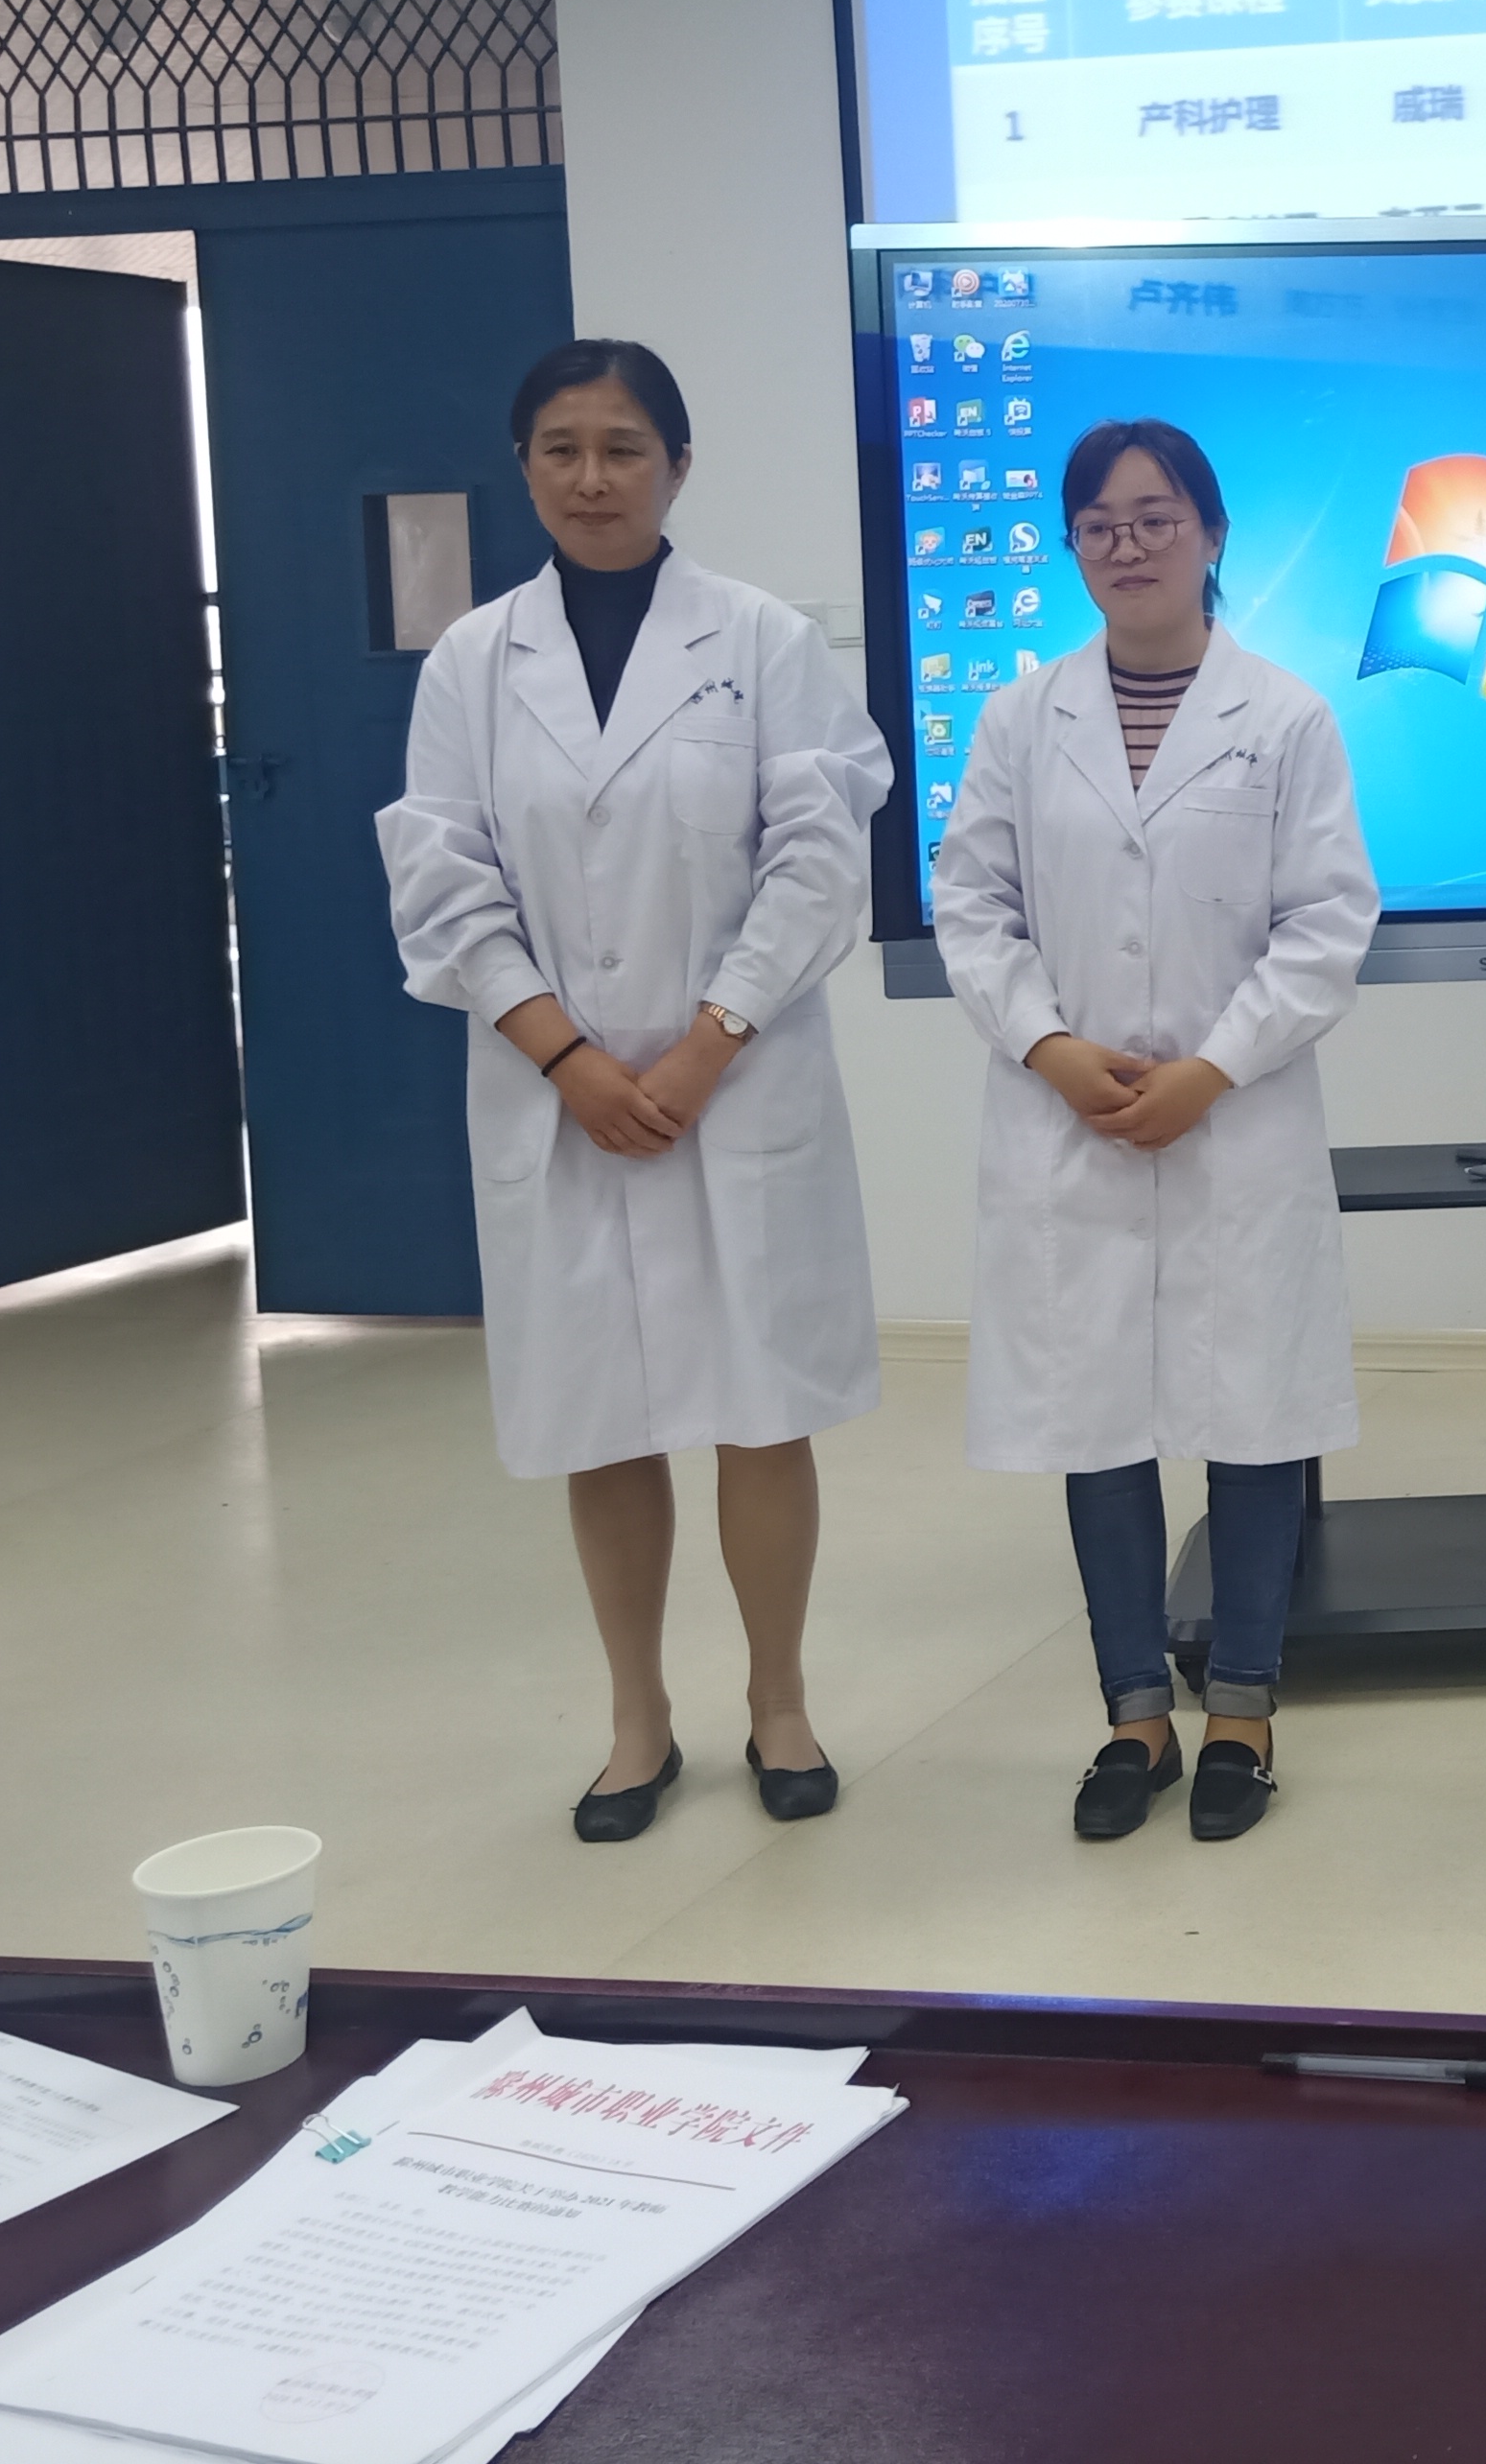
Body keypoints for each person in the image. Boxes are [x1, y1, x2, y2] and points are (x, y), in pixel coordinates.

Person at [381, 340, 891, 1843]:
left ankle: (779, 1702)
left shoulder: (762, 641)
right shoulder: (474, 662)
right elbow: (443, 879)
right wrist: (569, 1058)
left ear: (678, 466)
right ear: (524, 466)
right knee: (599, 1414)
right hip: (561, 1098)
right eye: (562, 449)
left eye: (623, 449)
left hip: (739, 1080)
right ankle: (637, 1722)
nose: (592, 478)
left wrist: (703, 1044)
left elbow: (818, 861)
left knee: (760, 1407)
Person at [935, 421, 1373, 1847]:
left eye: (1156, 516)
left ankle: (1242, 1709)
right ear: (1073, 547)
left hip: (1232, 1122)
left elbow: (1327, 923)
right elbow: (973, 908)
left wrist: (1212, 1070)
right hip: (1069, 1120)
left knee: (1252, 1417)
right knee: (1099, 1421)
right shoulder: (1022, 719)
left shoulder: (1285, 717)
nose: (1129, 546)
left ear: (1212, 533)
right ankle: (1134, 1714)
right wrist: (1052, 1050)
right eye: (1101, 524)